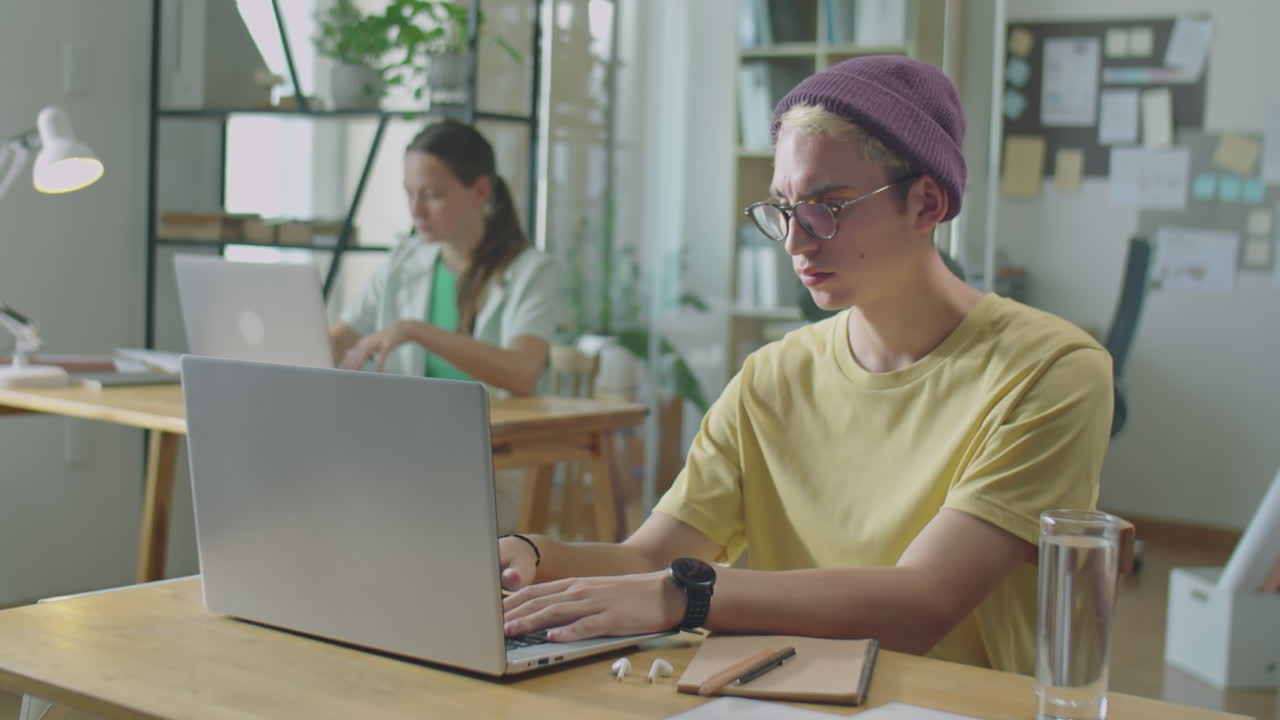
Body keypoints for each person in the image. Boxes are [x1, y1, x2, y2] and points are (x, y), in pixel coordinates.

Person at [498, 56, 1113, 676]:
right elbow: (650, 559)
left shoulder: (1052, 371)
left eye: (829, 206)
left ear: (926, 202)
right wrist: (532, 554)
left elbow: (922, 604)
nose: (795, 242)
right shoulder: (772, 377)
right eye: (784, 209)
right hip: (776, 696)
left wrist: (687, 594)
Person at [331, 119, 560, 397]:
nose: (416, 210)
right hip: (411, 428)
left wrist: (414, 330)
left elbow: (522, 372)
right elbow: (340, 339)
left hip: (493, 436)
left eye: (432, 195)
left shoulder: (533, 271)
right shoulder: (402, 260)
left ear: (480, 192)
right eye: (410, 194)